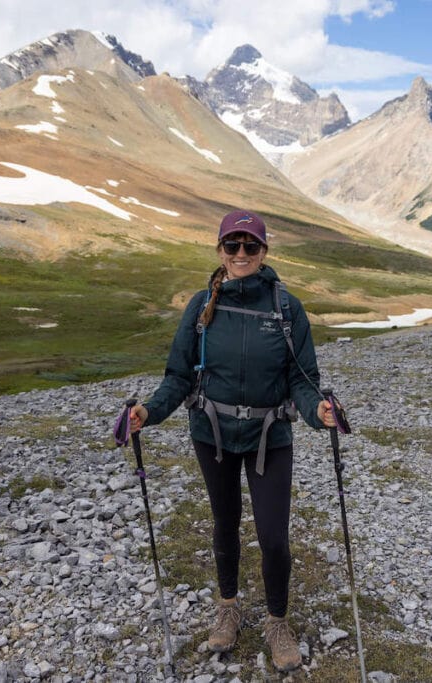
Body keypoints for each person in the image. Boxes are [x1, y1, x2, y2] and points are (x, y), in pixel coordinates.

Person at [128, 209, 336, 672]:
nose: (241, 254)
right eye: (232, 245)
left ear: (264, 252)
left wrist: (318, 414)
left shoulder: (286, 308)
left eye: (250, 246)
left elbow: (304, 379)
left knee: (273, 537)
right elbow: (178, 376)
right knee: (224, 524)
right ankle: (228, 607)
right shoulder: (203, 305)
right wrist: (149, 412)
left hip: (270, 436)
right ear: (220, 249)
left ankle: (277, 621)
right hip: (213, 434)